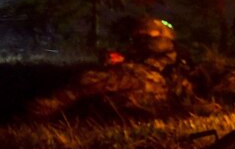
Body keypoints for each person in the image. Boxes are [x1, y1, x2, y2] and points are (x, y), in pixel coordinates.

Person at [27, 16, 195, 120]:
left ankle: (49, 107)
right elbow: (137, 57)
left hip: (156, 86)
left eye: (146, 33)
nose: (141, 37)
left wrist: (125, 59)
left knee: (93, 80)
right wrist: (119, 59)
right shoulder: (145, 49)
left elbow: (150, 57)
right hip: (148, 85)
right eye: (139, 34)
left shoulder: (165, 46)